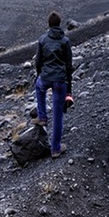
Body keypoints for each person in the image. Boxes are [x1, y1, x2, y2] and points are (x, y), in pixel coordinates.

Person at [34, 11, 73, 158]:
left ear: (49, 25)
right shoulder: (65, 41)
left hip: (46, 77)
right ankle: (55, 149)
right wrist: (69, 86)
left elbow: (38, 61)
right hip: (60, 81)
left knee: (39, 87)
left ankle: (42, 116)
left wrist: (40, 74)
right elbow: (69, 65)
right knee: (58, 115)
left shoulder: (42, 39)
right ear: (59, 24)